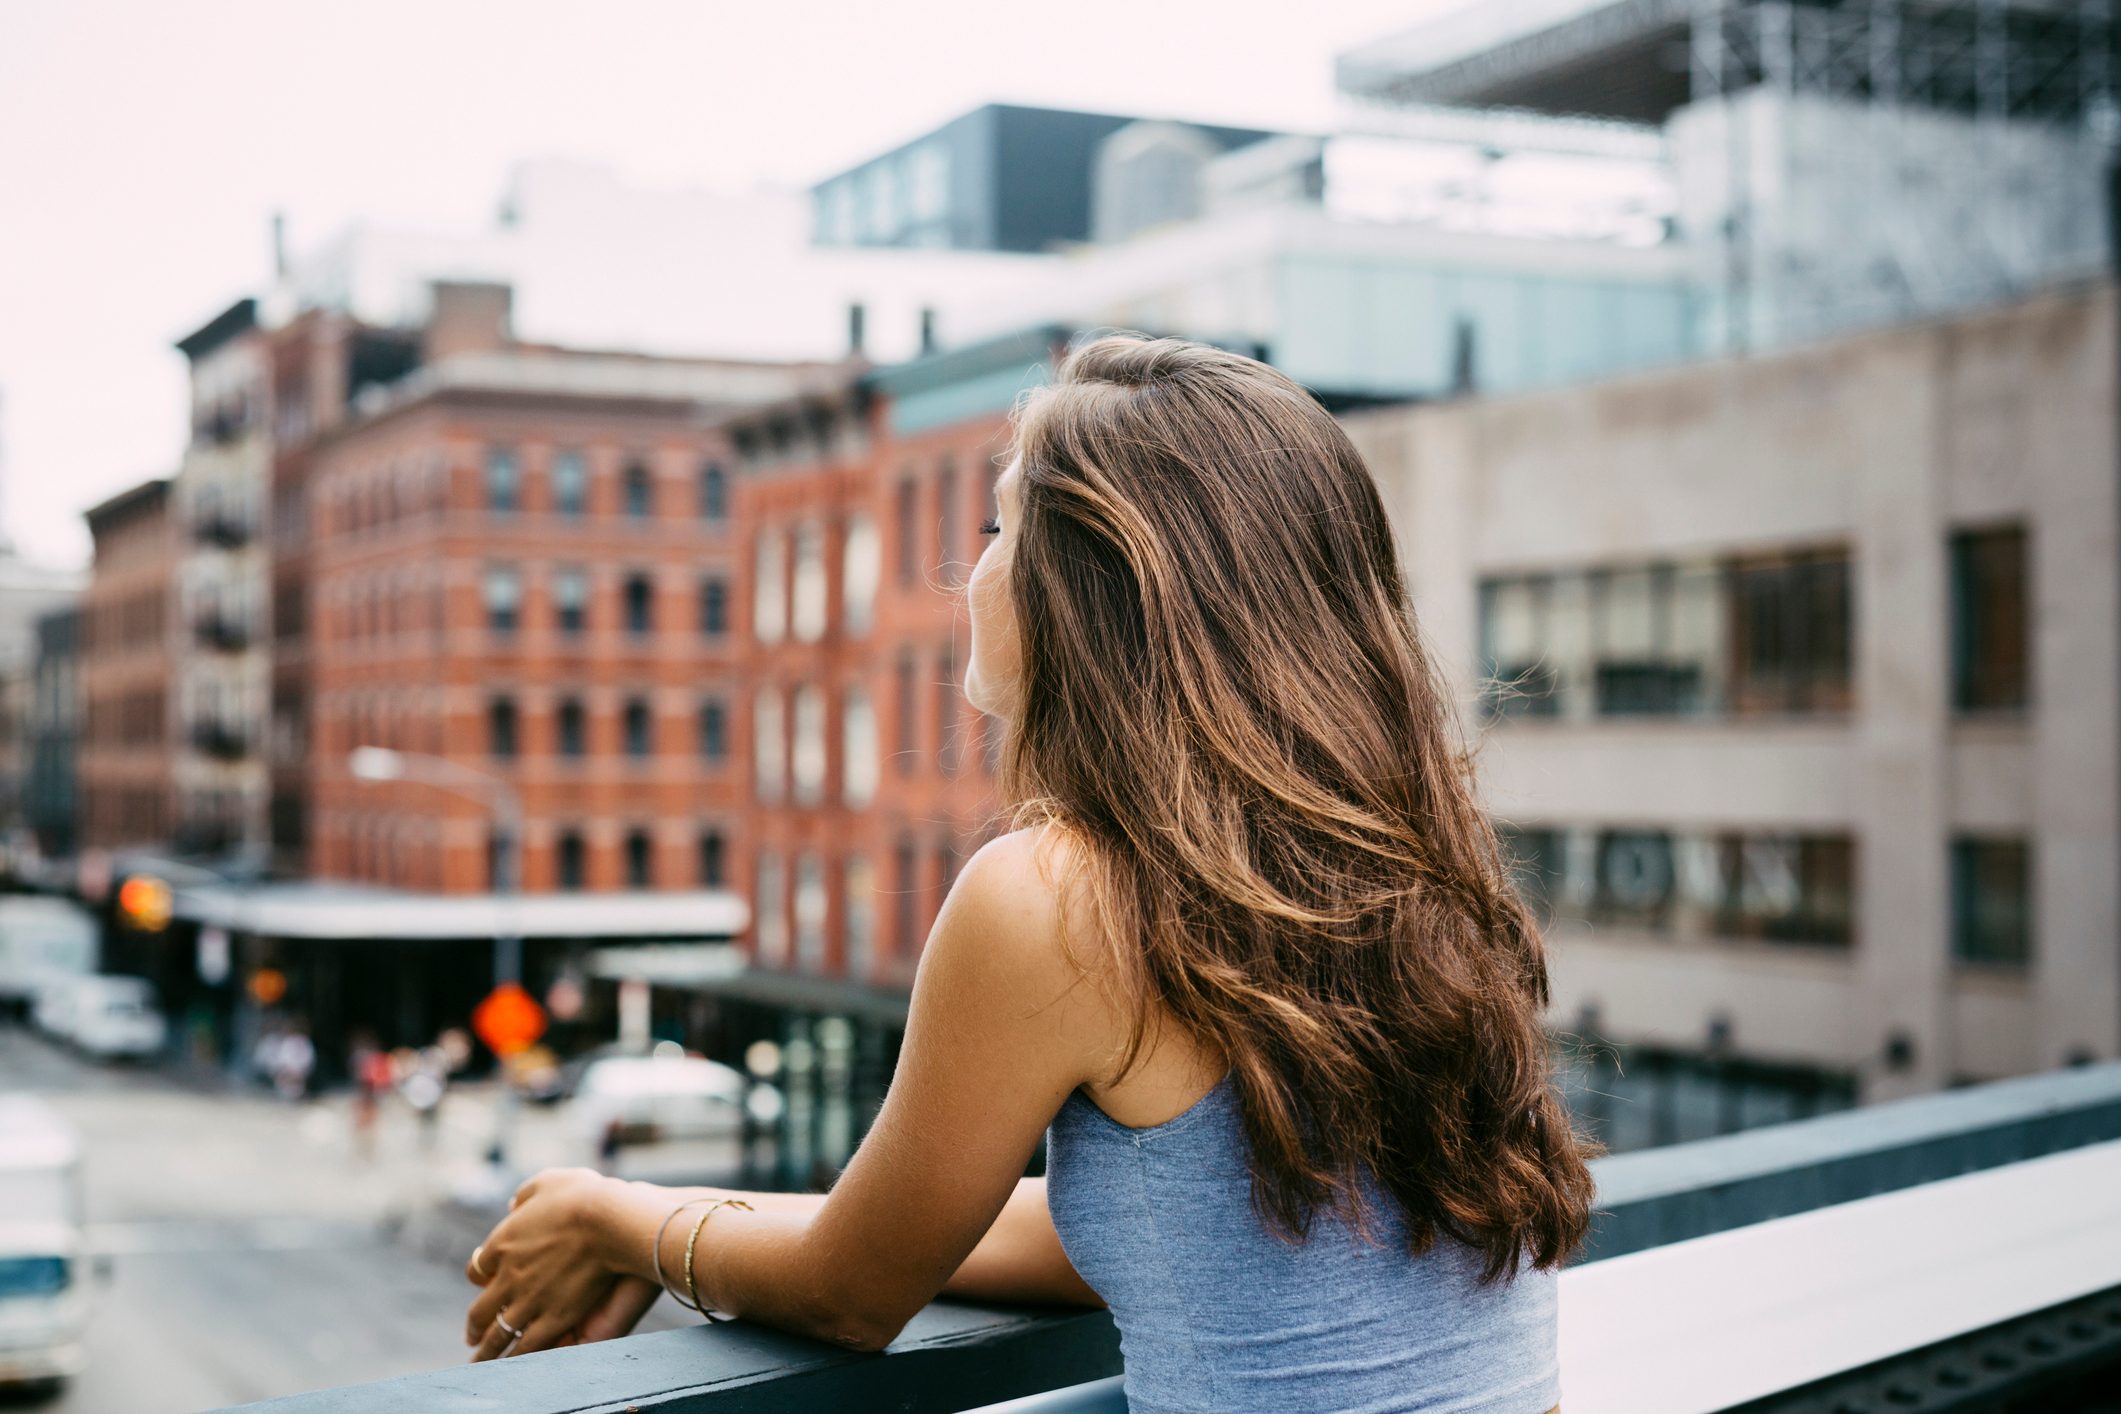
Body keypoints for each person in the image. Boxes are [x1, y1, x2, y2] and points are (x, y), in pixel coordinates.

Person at [462, 335, 1600, 1412]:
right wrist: (672, 1208)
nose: (973, 569)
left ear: (1100, 582)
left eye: (1000, 524)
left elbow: (852, 1291)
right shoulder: (1410, 866)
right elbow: (1137, 1226)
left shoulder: (1056, 898)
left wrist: (621, 1221)